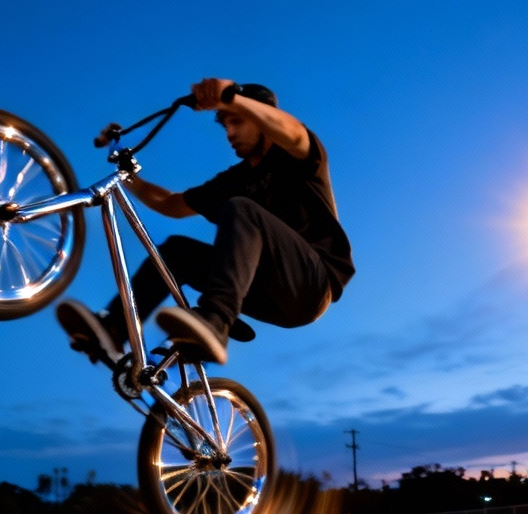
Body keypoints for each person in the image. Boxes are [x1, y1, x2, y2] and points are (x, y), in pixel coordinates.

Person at [56, 77, 354, 365]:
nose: (229, 134)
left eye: (237, 122)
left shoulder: (298, 156)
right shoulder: (235, 180)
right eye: (225, 125)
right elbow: (171, 204)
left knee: (241, 209)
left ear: (261, 117)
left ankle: (216, 321)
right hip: (265, 297)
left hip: (312, 285)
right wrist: (127, 173)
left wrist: (231, 98)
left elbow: (293, 132)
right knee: (176, 252)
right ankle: (115, 329)